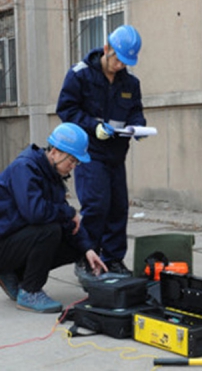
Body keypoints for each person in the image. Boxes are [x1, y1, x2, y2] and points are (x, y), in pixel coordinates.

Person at [56, 25, 146, 276]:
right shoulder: (80, 75)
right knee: (96, 205)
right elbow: (66, 110)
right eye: (117, 59)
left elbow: (136, 110)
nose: (119, 65)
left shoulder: (130, 82)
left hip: (116, 154)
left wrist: (138, 126)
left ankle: (113, 259)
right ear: (106, 48)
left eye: (125, 62)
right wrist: (93, 126)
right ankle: (87, 258)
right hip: (89, 153)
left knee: (118, 207)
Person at [0, 123, 107, 313]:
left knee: (73, 244)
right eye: (71, 161)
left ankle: (15, 275)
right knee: (49, 230)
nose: (72, 167)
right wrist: (69, 213)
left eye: (76, 163)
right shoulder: (24, 168)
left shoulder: (51, 174)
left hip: (14, 241)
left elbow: (65, 219)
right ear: (55, 152)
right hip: (4, 242)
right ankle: (29, 292)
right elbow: (35, 212)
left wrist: (87, 249)